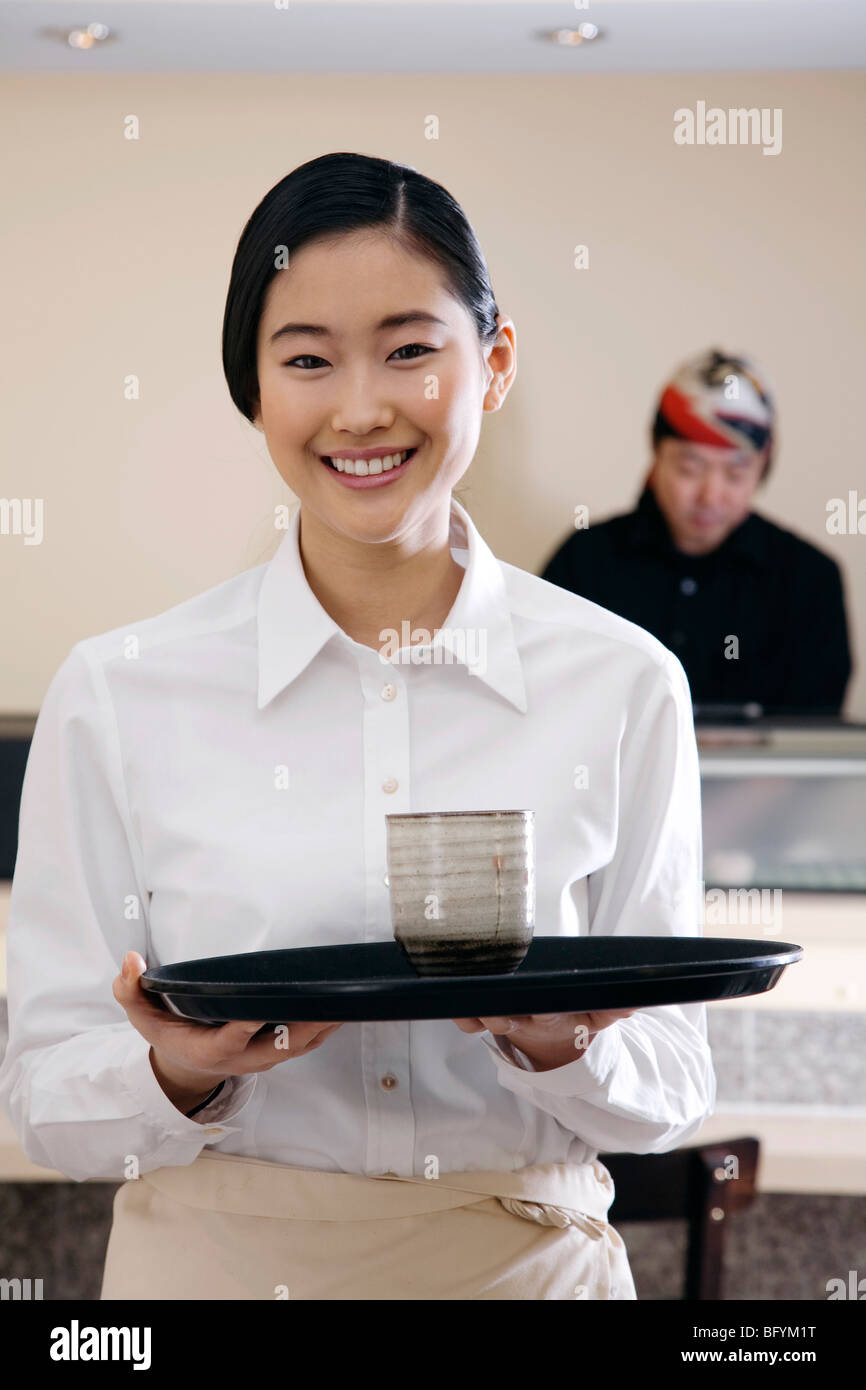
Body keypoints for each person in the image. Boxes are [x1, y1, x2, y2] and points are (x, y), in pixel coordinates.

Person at [0, 153, 716, 1301]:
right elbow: (47, 1105)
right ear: (253, 389)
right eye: (306, 360)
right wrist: (174, 1074)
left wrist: (554, 1042)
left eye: (408, 347)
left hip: (523, 1271)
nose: (360, 407)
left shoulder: (622, 683)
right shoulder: (120, 693)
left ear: (493, 363)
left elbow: (672, 1090)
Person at [540, 350, 853, 718]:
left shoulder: (809, 579)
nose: (710, 495)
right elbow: (550, 696)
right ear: (656, 454)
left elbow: (810, 739)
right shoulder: (587, 560)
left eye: (735, 475)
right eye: (690, 468)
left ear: (763, 469)